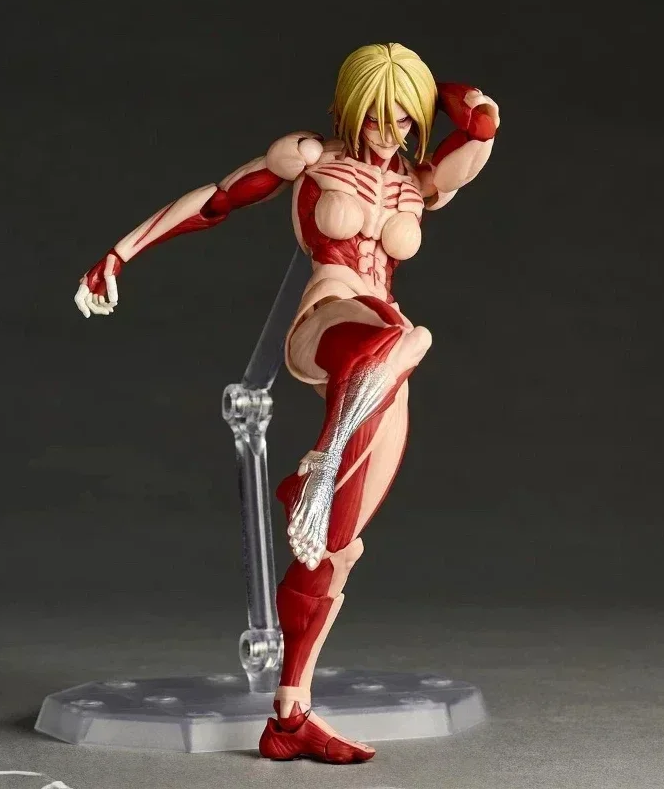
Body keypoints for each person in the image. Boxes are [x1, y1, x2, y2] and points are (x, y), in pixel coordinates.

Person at [74, 42, 499, 763]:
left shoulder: (421, 183)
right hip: (330, 323)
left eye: (405, 119)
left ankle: (290, 715)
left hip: (382, 365)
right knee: (397, 339)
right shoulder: (309, 158)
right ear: (349, 108)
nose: (389, 132)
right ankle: (323, 461)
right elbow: (215, 200)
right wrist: (120, 253)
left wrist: (432, 92)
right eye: (377, 115)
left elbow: (482, 124)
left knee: (336, 548)